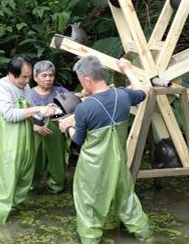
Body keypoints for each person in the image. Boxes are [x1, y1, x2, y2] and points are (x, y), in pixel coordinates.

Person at [59, 55, 153, 243]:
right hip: (118, 161)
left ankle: (90, 238)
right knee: (126, 197)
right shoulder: (123, 95)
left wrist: (67, 127)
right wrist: (127, 69)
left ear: (86, 79)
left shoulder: (84, 109)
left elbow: (78, 140)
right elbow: (142, 92)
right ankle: (146, 235)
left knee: (89, 202)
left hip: (94, 166)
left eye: (81, 81)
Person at [0, 55, 54, 224]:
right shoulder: (1, 87)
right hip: (9, 138)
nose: (27, 80)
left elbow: (30, 109)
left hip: (26, 136)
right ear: (11, 74)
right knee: (8, 175)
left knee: (25, 173)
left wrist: (47, 110)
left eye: (29, 76)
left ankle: (16, 206)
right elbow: (10, 115)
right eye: (24, 77)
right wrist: (38, 108)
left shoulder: (25, 86)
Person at [29, 60, 68, 193]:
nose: (48, 79)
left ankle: (56, 185)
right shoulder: (28, 94)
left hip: (55, 133)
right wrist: (36, 128)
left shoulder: (60, 92)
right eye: (44, 75)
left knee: (57, 162)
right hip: (33, 133)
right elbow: (20, 116)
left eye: (51, 75)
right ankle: (31, 185)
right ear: (35, 77)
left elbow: (71, 107)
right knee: (33, 162)